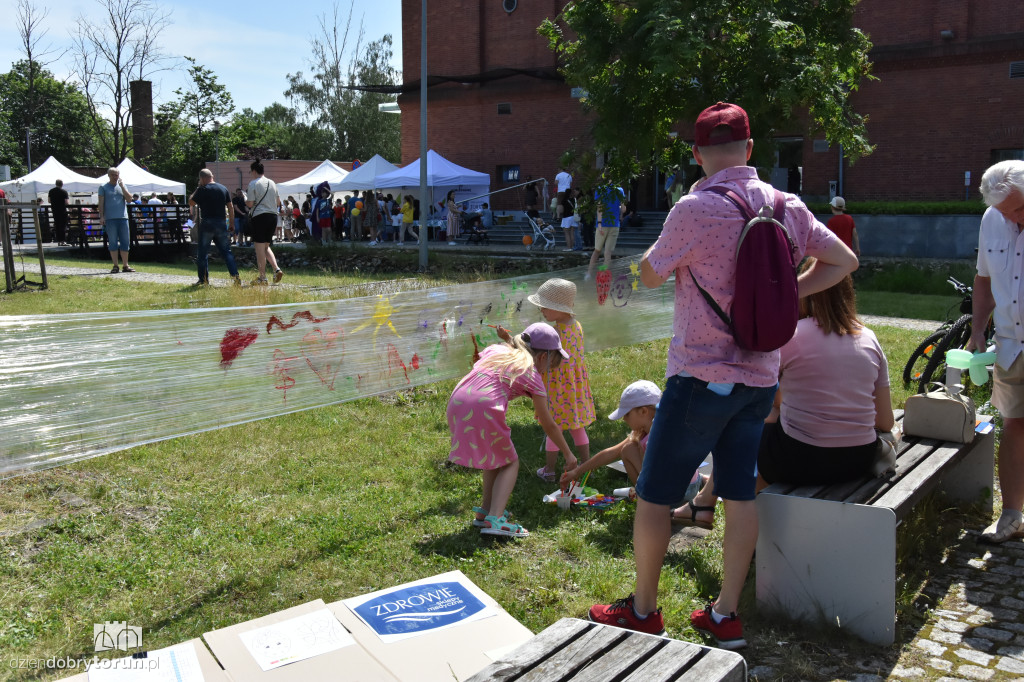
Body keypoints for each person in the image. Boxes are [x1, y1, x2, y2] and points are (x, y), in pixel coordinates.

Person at [587, 102, 858, 648]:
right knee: (739, 496)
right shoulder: (787, 205)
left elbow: (649, 274)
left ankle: (642, 611)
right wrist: (786, 298)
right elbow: (844, 261)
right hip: (760, 380)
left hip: (698, 376)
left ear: (697, 154)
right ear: (751, 149)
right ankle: (725, 615)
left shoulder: (693, 208)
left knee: (653, 496)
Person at [672, 263, 895, 529]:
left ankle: (708, 505)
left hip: (800, 459)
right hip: (858, 460)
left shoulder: (792, 338)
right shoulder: (870, 339)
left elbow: (757, 397)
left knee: (742, 431)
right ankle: (705, 502)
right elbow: (885, 421)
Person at [447, 322, 579, 538]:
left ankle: (486, 512)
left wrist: (507, 339)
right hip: (484, 408)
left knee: (494, 458)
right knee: (510, 462)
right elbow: (548, 423)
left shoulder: (497, 351)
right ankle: (496, 519)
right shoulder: (533, 375)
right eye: (552, 363)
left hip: (458, 401)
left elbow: (506, 351)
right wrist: (568, 453)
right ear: (543, 357)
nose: (548, 370)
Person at [972, 160, 1024, 544]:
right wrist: (977, 330)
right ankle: (1012, 515)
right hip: (1010, 345)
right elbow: (983, 279)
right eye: (1007, 213)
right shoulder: (992, 218)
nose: (1013, 218)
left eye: (1020, 209)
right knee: (1014, 425)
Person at [525, 279, 595, 481]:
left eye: (545, 307)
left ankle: (549, 470)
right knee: (577, 426)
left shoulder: (554, 333)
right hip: (575, 387)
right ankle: (585, 466)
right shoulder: (577, 326)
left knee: (553, 428)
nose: (541, 310)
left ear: (560, 309)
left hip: (556, 388)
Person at [189, 169, 241, 286]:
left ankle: (203, 280)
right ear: (212, 176)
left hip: (207, 223)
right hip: (221, 223)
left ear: (202, 178)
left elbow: (191, 202)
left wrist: (198, 187)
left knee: (202, 253)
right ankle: (236, 278)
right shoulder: (223, 188)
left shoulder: (202, 189)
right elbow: (231, 207)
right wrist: (231, 223)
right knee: (227, 252)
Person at [246, 159, 285, 285]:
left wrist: (246, 201)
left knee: (259, 249)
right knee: (266, 247)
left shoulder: (253, 183)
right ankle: (276, 268)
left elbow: (250, 204)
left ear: (254, 171)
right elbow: (278, 202)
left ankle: (262, 278)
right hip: (272, 216)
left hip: (260, 217)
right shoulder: (272, 183)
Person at [97, 167, 136, 273]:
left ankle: (125, 265)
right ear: (109, 175)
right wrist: (101, 216)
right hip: (110, 218)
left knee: (125, 242)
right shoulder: (103, 187)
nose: (115, 176)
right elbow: (101, 203)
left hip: (123, 218)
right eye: (113, 174)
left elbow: (129, 199)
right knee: (113, 242)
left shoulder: (122, 186)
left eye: (117, 174)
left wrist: (122, 186)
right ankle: (115, 265)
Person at [585, 183, 625, 280]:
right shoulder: (620, 190)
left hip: (602, 224)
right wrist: (617, 208)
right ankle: (603, 276)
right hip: (615, 225)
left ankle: (589, 274)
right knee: (608, 253)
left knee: (597, 250)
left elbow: (600, 207)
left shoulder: (600, 189)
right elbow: (623, 209)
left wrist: (599, 223)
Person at [48, 179, 69, 246]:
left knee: (57, 225)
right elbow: (66, 202)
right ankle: (63, 240)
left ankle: (59, 241)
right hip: (62, 211)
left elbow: (49, 201)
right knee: (63, 226)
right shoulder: (64, 192)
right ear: (62, 184)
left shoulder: (51, 191)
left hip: (54, 210)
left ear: (55, 184)